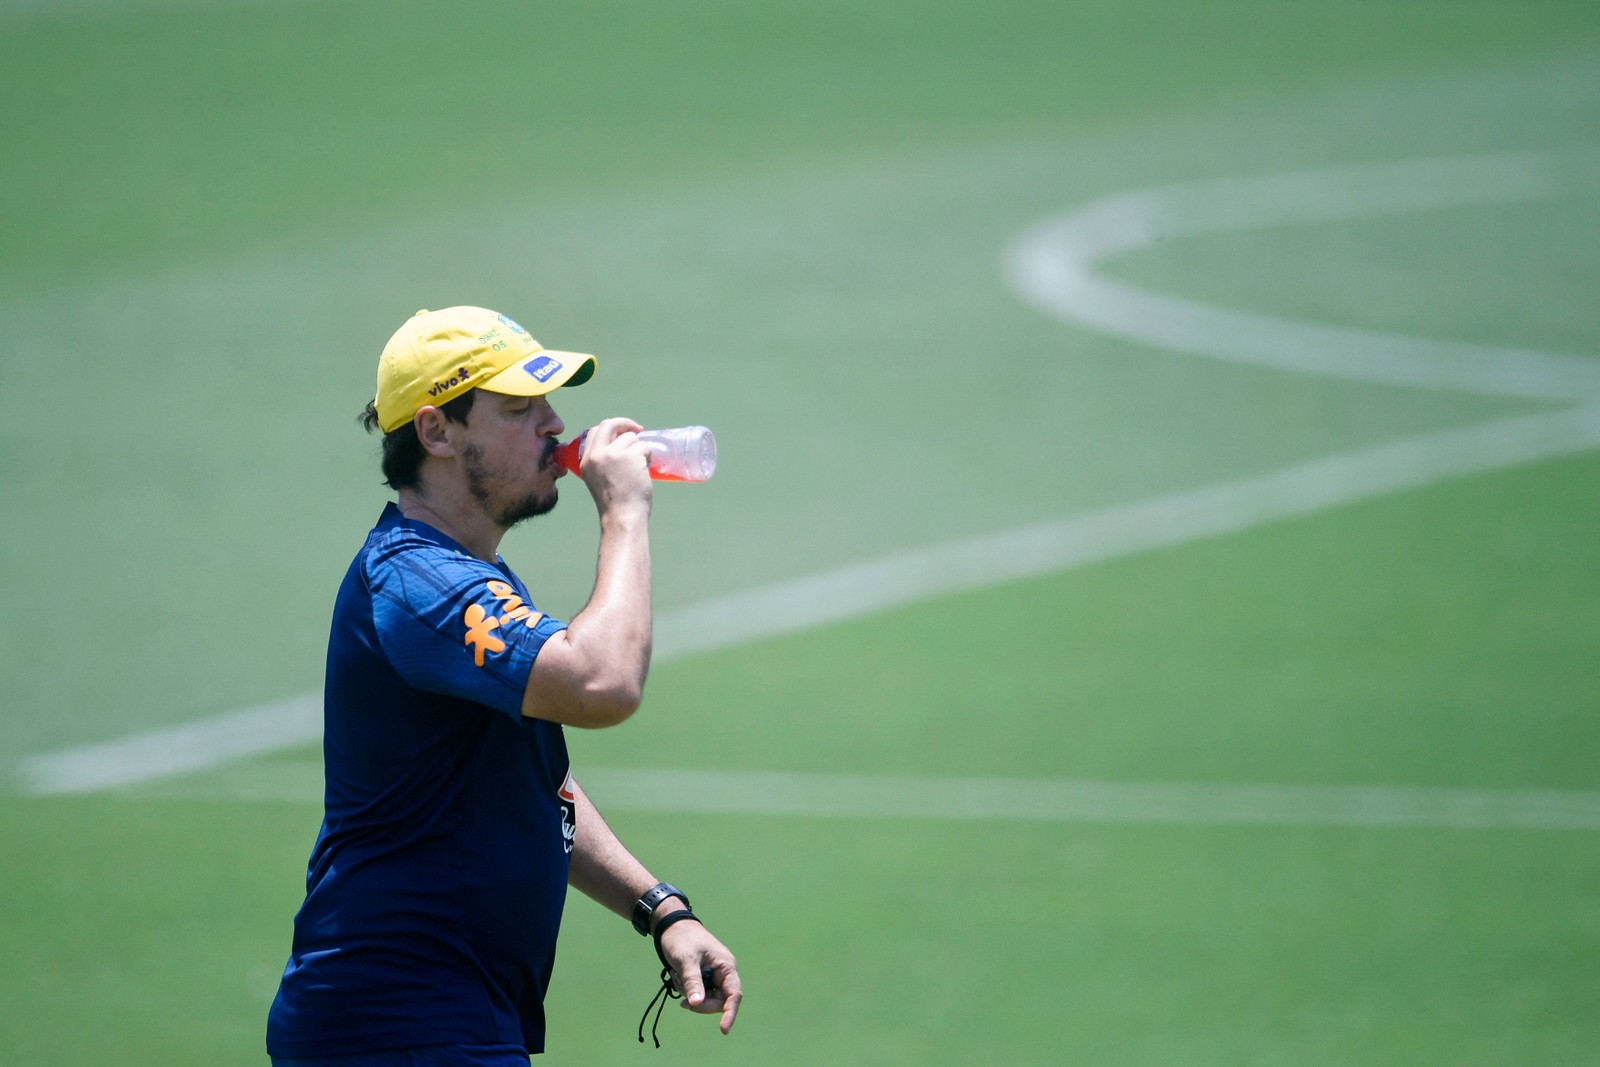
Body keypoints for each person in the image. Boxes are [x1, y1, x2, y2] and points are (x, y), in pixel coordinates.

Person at [265, 306, 742, 1065]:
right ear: (437, 432)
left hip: (442, 1017)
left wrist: (659, 908)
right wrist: (624, 512)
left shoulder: (469, 579)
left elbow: (533, 783)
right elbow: (604, 682)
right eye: (520, 409)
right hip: (399, 1021)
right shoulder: (419, 583)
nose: (554, 425)